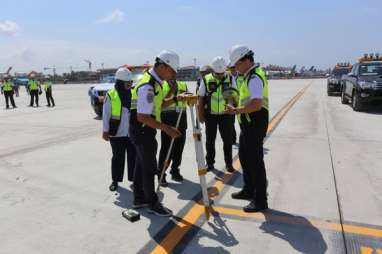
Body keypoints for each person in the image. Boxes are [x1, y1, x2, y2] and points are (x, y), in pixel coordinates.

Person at [129, 50, 181, 217]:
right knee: (150, 168)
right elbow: (143, 116)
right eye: (172, 71)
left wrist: (175, 99)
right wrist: (167, 128)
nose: (173, 75)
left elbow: (157, 107)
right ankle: (152, 203)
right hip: (143, 130)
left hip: (141, 130)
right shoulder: (148, 86)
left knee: (140, 165)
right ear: (163, 66)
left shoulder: (154, 82)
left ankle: (139, 198)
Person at [226, 45, 270, 212]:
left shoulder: (254, 78)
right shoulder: (246, 77)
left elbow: (256, 104)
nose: (235, 67)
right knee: (245, 157)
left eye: (237, 64)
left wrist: (236, 110)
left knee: (256, 162)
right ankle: (248, 189)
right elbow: (245, 100)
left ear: (246, 60)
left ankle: (260, 200)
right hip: (247, 123)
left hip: (255, 123)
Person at [197, 56, 235, 173]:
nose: (220, 76)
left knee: (227, 141)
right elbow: (201, 98)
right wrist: (201, 114)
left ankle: (229, 164)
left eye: (222, 73)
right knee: (210, 141)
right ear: (213, 70)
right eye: (218, 74)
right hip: (211, 116)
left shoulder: (230, 77)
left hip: (226, 115)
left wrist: (231, 106)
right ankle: (210, 163)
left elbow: (234, 94)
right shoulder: (206, 79)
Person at [102, 67, 136, 192]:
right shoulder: (111, 95)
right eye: (127, 82)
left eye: (131, 82)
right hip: (116, 132)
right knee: (117, 157)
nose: (130, 84)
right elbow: (106, 114)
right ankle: (115, 180)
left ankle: (134, 179)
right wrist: (105, 131)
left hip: (131, 132)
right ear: (120, 82)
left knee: (133, 156)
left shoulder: (133, 93)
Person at [157, 78, 189, 186]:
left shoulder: (183, 84)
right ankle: (161, 173)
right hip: (168, 121)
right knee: (166, 150)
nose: (173, 74)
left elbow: (188, 101)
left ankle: (175, 171)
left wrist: (190, 98)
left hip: (181, 120)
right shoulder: (161, 85)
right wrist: (171, 92)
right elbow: (160, 104)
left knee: (179, 149)